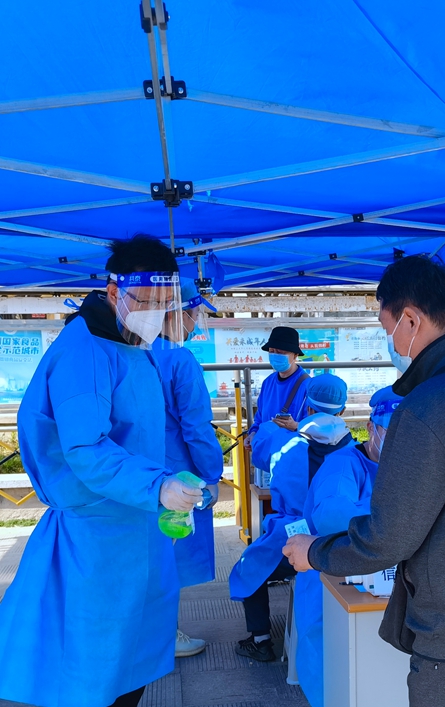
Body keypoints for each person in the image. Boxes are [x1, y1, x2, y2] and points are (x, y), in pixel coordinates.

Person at [284, 255, 445, 707]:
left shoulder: (427, 406)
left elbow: (387, 538)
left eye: (388, 328)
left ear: (411, 319)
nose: (390, 341)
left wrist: (316, 553)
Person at [0, 235, 205, 707]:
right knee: (93, 672)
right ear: (114, 293)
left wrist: (175, 480)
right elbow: (85, 448)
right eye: (146, 301)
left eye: (164, 302)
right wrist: (158, 485)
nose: (156, 312)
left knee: (131, 659)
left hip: (134, 528)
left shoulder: (130, 343)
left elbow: (143, 434)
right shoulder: (86, 349)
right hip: (98, 539)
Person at [230, 374, 353, 662]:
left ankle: (260, 640)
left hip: (293, 540)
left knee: (251, 568)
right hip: (341, 545)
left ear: (306, 408)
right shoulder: (354, 452)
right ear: (343, 411)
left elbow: (258, 453)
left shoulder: (286, 445)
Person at [294, 385, 402, 707]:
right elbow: (330, 516)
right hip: (330, 577)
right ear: (370, 428)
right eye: (389, 431)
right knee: (335, 677)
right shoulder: (344, 466)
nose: (400, 443)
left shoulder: (406, 471)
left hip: (382, 579)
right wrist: (397, 518)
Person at [153, 278, 223, 658]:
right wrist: (212, 475)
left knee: (142, 557)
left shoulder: (131, 355)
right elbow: (197, 427)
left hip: (134, 476)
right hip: (176, 477)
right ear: (175, 313)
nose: (195, 324)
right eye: (194, 315)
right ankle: (166, 637)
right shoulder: (179, 360)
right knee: (170, 558)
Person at [244, 326, 310, 451]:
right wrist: (253, 434)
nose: (275, 355)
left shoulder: (307, 386)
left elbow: (314, 427)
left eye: (281, 352)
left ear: (295, 355)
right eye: (272, 351)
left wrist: (295, 426)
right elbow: (259, 418)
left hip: (292, 456)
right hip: (266, 452)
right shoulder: (268, 382)